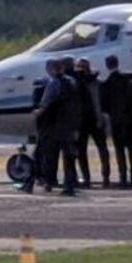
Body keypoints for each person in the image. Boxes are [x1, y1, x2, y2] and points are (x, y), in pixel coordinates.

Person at [35, 57, 79, 196]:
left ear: (52, 69)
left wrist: (38, 112)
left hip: (54, 124)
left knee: (51, 155)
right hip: (69, 124)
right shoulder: (72, 82)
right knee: (69, 157)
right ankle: (70, 184)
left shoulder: (53, 83)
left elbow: (45, 103)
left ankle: (49, 182)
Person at [100, 55, 132, 188]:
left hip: (116, 120)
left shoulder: (107, 83)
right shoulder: (128, 80)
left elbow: (104, 104)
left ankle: (123, 177)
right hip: (130, 119)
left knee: (120, 149)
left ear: (107, 65)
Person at [74, 58, 111, 188]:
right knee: (81, 151)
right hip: (82, 121)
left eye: (83, 67)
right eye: (79, 67)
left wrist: (102, 117)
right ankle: (86, 177)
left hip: (96, 119)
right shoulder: (76, 83)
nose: (81, 70)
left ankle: (106, 176)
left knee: (102, 149)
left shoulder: (97, 83)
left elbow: (101, 102)